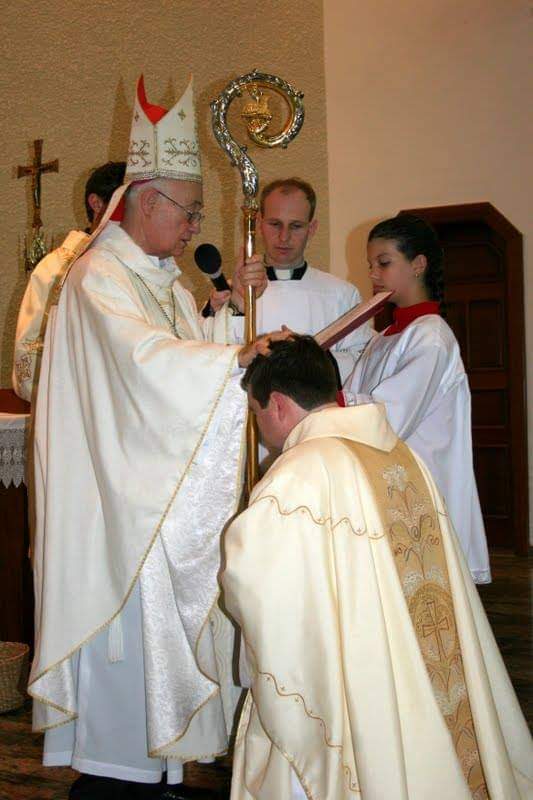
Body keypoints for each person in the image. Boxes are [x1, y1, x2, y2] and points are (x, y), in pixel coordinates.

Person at [28, 74, 272, 800]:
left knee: (158, 667)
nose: (197, 223)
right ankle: (119, 777)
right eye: (190, 210)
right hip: (118, 510)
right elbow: (144, 366)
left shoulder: (158, 277)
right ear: (145, 202)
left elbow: (182, 349)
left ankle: (157, 771)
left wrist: (229, 331)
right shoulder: (98, 277)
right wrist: (229, 359)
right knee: (126, 681)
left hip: (153, 496)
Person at [221, 335, 533, 800]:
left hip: (355, 687)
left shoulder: (297, 474)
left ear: (280, 405)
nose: (260, 425)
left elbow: (258, 589)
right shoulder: (402, 457)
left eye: (257, 411)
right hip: (417, 672)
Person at [344, 214, 490, 584]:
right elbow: (353, 393)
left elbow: (389, 414)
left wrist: (325, 401)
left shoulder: (431, 336)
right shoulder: (384, 337)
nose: (374, 274)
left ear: (418, 264)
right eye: (371, 265)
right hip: (389, 482)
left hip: (421, 487)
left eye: (384, 263)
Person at [214, 178, 372, 384]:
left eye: (295, 226)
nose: (284, 237)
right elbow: (213, 357)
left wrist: (304, 361)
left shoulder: (342, 294)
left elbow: (362, 361)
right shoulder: (233, 294)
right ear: (260, 224)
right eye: (275, 224)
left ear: (312, 228)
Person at [12, 161, 126, 402]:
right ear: (96, 203)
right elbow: (27, 367)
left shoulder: (137, 270)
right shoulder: (55, 270)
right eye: (124, 205)